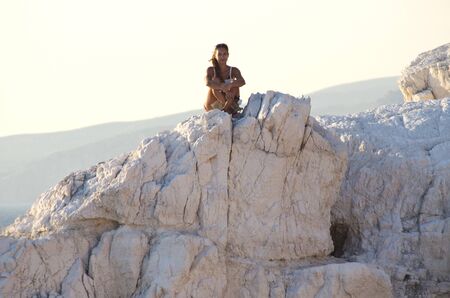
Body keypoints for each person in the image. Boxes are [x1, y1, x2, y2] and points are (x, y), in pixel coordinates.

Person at [204, 43, 246, 115]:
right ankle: (228, 108)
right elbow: (207, 82)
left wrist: (230, 84)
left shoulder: (233, 70)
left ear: (228, 55)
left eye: (224, 54)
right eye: (219, 54)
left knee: (235, 84)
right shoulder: (210, 70)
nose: (222, 57)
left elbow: (242, 81)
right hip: (213, 105)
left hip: (229, 100)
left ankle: (227, 108)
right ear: (215, 56)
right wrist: (222, 87)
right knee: (215, 82)